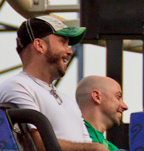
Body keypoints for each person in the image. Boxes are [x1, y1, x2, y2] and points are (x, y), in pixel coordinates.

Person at [0, 16, 107, 151]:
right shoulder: (17, 86)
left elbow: (86, 144)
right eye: (63, 42)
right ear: (39, 45)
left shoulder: (67, 100)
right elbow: (36, 145)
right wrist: (93, 149)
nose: (69, 51)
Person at [75, 76, 128, 151]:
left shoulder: (110, 147)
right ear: (97, 97)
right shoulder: (73, 136)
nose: (125, 106)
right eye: (118, 97)